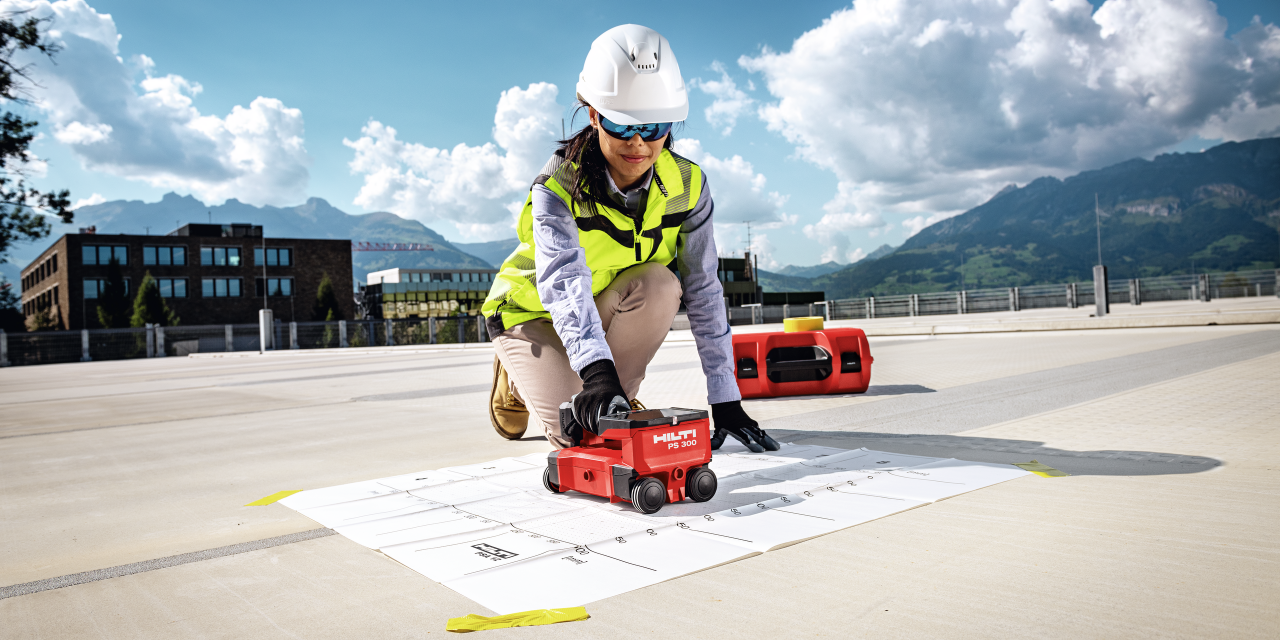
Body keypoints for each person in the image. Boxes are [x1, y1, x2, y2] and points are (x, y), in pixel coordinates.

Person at [482, 24, 778, 454]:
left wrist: (725, 397)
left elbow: (704, 290)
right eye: (622, 124)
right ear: (595, 115)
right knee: (579, 434)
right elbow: (564, 284)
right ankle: (516, 373)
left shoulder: (688, 186)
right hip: (533, 313)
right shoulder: (558, 185)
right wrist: (598, 376)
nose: (638, 142)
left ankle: (611, 396)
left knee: (662, 283)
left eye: (654, 125)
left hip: (607, 303)